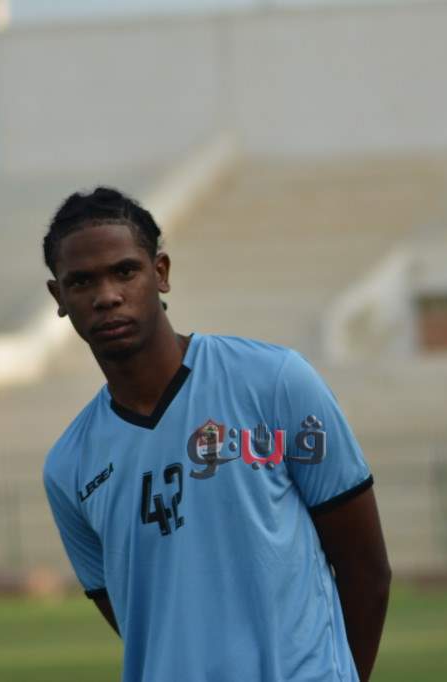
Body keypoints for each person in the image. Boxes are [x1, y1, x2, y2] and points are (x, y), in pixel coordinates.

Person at [41, 187, 391, 682]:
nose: (107, 296)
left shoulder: (274, 382)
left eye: (125, 271)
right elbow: (139, 621)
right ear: (59, 297)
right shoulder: (68, 466)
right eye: (81, 281)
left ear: (160, 272)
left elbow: (366, 570)